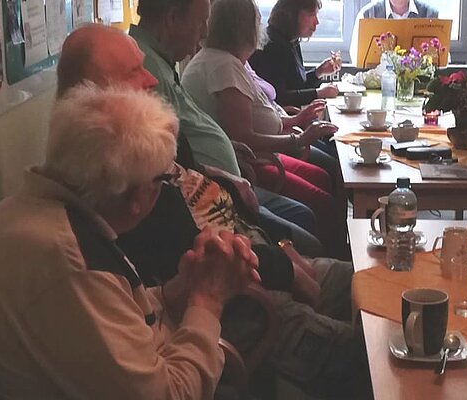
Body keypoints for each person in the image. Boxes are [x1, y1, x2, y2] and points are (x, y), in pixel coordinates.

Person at [56, 24, 369, 398]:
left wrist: (273, 238)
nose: (151, 80)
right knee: (368, 352)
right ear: (95, 94)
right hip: (248, 298)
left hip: (252, 259)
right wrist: (283, 265)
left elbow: (159, 285)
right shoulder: (118, 179)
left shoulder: (141, 140)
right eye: (134, 73)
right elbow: (204, 258)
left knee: (367, 281)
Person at [0, 84, 260, 399]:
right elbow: (173, 395)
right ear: (137, 197)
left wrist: (181, 288)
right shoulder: (71, 259)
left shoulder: (29, 212)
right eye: (163, 179)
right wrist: (208, 298)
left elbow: (110, 312)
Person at [82, 1, 322, 256]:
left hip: (226, 187)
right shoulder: (145, 65)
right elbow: (168, 169)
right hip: (212, 205)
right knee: (307, 240)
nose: (205, 33)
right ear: (173, 17)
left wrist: (227, 158)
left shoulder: (159, 61)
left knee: (304, 232)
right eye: (200, 23)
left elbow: (182, 150)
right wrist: (224, 178)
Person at [181, 0, 349, 257]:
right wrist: (299, 138)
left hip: (264, 152)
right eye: (256, 21)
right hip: (251, 165)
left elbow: (262, 111)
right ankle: (335, 261)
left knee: (324, 177)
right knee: (322, 201)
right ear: (244, 27)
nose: (260, 27)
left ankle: (336, 256)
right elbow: (243, 136)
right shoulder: (222, 66)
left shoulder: (230, 61)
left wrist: (292, 122)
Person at [248, 0, 341, 108]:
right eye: (311, 15)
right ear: (292, 15)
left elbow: (296, 86)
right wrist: (318, 93)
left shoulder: (291, 41)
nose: (316, 22)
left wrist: (319, 72)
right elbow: (279, 97)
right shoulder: (272, 46)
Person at [349, 0, 438, 65]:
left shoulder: (430, 14)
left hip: (420, 85)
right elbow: (356, 59)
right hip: (378, 85)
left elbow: (441, 59)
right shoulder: (367, 14)